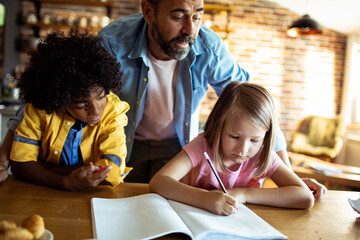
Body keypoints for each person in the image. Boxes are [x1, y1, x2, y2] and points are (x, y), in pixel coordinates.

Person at [1, 0, 327, 199]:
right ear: (147, 10)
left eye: (198, 15)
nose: (191, 28)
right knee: (118, 202)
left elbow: (258, 108)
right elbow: (56, 87)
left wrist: (289, 174)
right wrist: (6, 150)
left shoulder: (209, 48)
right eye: (178, 15)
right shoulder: (113, 41)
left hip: (179, 146)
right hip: (126, 142)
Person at [149, 82, 314, 215]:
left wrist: (244, 194)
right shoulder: (203, 146)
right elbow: (159, 182)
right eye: (234, 137)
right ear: (218, 126)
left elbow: (304, 197)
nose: (243, 149)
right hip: (192, 218)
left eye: (255, 140)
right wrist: (205, 198)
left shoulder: (263, 154)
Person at [8, 29, 132, 190]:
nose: (95, 111)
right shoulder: (41, 110)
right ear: (60, 99)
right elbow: (20, 164)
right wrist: (66, 182)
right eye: (81, 104)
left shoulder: (114, 110)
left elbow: (112, 171)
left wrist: (45, 168)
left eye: (101, 96)